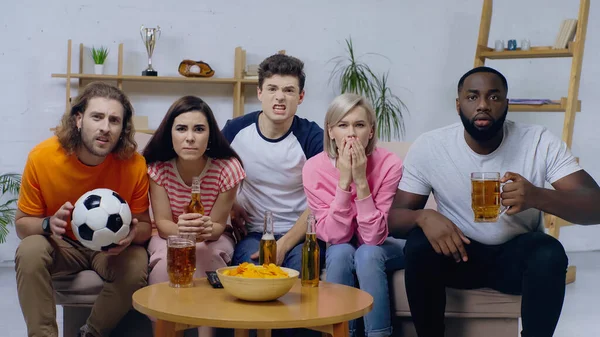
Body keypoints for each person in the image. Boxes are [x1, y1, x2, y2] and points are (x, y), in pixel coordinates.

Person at [388, 66, 600, 337]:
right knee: (419, 246)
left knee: (549, 251)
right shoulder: (431, 146)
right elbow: (394, 219)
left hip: (515, 258)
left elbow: (596, 206)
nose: (483, 105)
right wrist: (423, 217)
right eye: (473, 97)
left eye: (494, 97)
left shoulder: (538, 141)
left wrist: (537, 195)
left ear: (507, 104)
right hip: (459, 254)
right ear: (458, 104)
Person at [14, 82, 152, 337]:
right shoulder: (42, 157)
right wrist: (48, 224)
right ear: (78, 119)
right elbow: (22, 225)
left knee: (136, 262)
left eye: (114, 120)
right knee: (29, 250)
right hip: (62, 244)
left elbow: (144, 226)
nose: (105, 128)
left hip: (109, 250)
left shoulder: (134, 164)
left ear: (122, 128)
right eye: (97, 117)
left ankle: (91, 333)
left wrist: (133, 236)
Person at [303, 93, 404, 337]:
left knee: (367, 254)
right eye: (342, 125)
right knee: (339, 252)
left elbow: (373, 237)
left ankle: (379, 334)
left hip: (386, 244)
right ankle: (340, 333)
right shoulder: (313, 168)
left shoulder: (390, 164)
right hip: (343, 244)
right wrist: (344, 182)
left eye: (359, 125)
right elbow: (335, 237)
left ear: (370, 132)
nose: (351, 134)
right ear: (330, 131)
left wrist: (360, 181)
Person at [222, 53, 325, 272]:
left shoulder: (313, 138)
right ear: (260, 92)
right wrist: (230, 204)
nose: (280, 97)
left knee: (298, 279)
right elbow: (208, 172)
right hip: (252, 232)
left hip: (300, 234)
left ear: (301, 96)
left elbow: (323, 199)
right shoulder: (235, 130)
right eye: (272, 89)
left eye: (289, 90)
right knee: (253, 274)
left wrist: (284, 245)